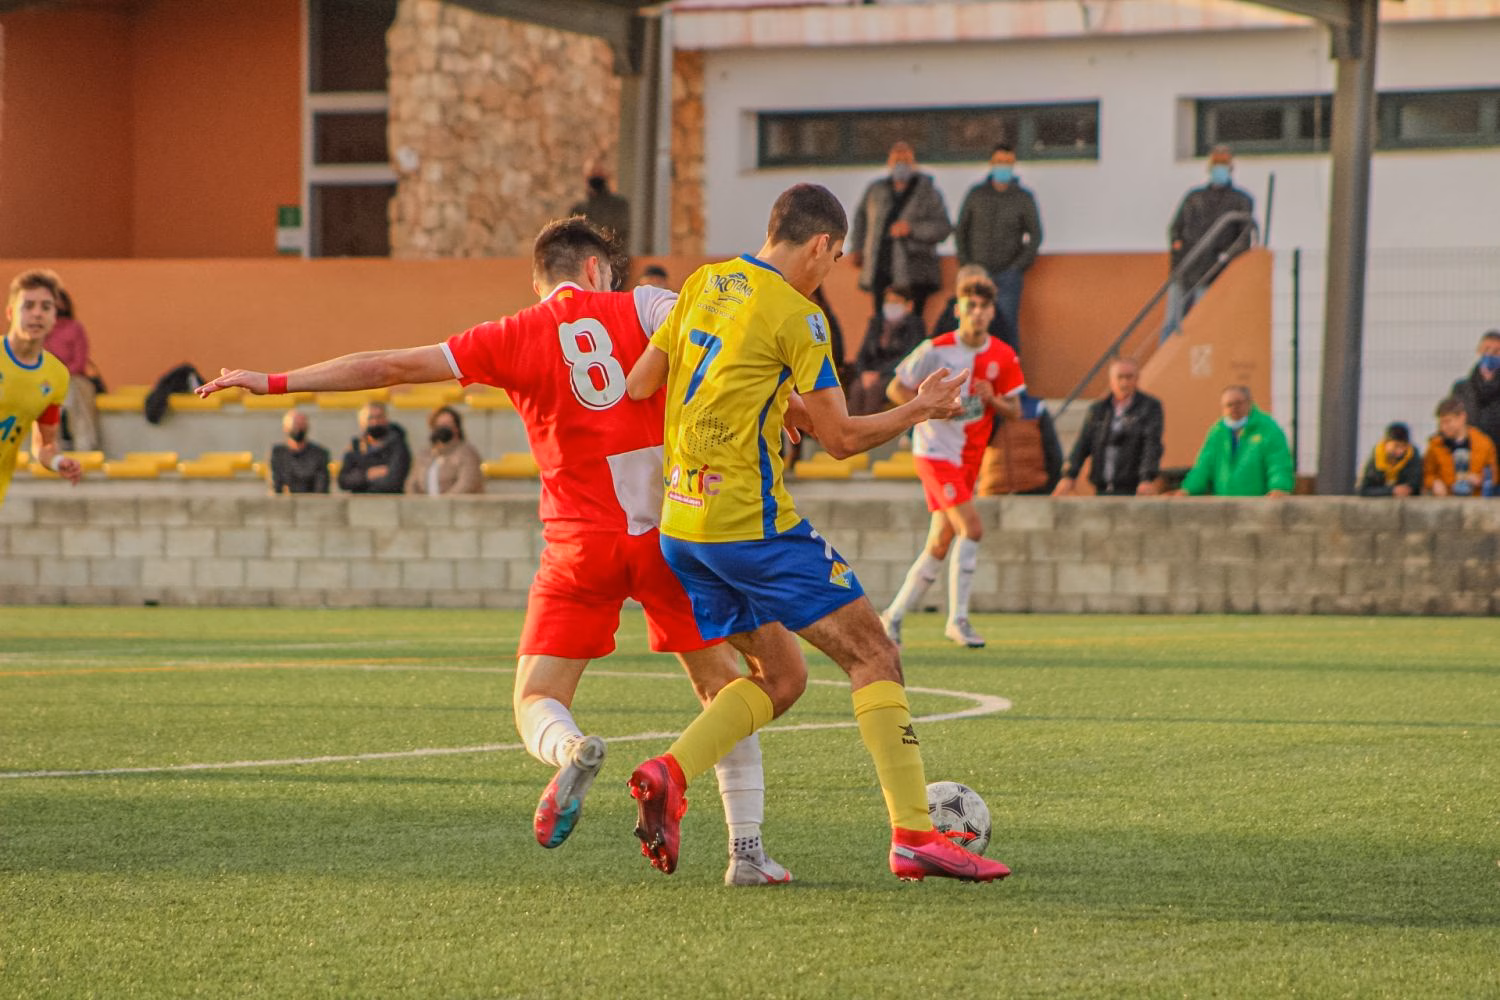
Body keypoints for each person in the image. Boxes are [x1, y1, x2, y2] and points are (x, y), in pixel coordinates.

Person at [195, 217, 793, 887]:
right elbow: (729, 345)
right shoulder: (647, 305)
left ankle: (571, 748)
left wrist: (271, 381)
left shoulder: (512, 334)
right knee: (724, 689)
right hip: (667, 536)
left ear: (540, 282)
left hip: (579, 544)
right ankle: (746, 852)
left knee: (536, 696)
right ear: (595, 270)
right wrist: (794, 406)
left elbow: (389, 367)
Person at [623, 182, 1010, 884]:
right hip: (751, 526)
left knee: (783, 677)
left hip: (684, 525)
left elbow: (643, 382)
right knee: (875, 654)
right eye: (832, 260)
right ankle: (914, 836)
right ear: (821, 245)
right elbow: (841, 439)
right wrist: (920, 408)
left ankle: (669, 772)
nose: (828, 272)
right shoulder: (799, 316)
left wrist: (772, 403)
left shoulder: (705, 282)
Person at [878, 273, 1025, 650]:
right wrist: (925, 410)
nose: (977, 312)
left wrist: (993, 399)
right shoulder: (936, 349)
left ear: (992, 312)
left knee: (940, 543)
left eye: (984, 306)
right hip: (934, 453)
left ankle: (892, 617)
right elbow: (895, 387)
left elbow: (1015, 411)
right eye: (970, 305)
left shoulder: (1003, 355)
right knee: (971, 529)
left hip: (970, 458)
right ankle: (958, 619)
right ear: (958, 309)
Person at [1, 269, 84, 506]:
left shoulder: (56, 375)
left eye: (46, 307)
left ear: (54, 316)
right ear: (10, 312)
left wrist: (57, 462)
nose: (37, 314)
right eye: (28, 306)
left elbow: (44, 444)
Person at [954, 144, 1043, 353]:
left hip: (1008, 276)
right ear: (991, 164)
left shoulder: (1023, 197)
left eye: (1007, 162)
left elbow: (1035, 235)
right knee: (972, 324)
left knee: (1007, 326)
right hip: (976, 274)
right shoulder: (976, 195)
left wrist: (1017, 267)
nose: (1003, 167)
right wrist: (967, 265)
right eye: (999, 162)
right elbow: (961, 230)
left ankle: (1009, 370)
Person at [848, 141, 952, 319]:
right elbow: (861, 220)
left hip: (915, 271)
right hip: (880, 268)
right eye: (897, 160)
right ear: (889, 163)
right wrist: (856, 248)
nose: (901, 165)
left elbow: (943, 227)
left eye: (905, 160)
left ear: (914, 164)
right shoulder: (875, 190)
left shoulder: (928, 192)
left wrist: (912, 229)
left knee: (913, 323)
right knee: (881, 322)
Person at [1163, 144, 1255, 338]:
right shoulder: (1194, 197)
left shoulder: (1240, 200)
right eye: (1216, 164)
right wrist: (1179, 251)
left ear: (1230, 168)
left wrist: (1224, 257)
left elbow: (1244, 238)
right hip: (1184, 268)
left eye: (1223, 164)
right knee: (1172, 322)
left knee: (1200, 323)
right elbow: (1175, 230)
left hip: (1213, 271)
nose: (1219, 169)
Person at [1053, 357, 1165, 496]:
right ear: (1111, 381)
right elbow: (1083, 444)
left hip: (1133, 489)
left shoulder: (1149, 407)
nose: (1124, 383)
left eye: (1129, 377)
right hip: (1101, 487)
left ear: (1137, 379)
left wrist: (1146, 478)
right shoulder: (1099, 410)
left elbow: (1151, 444)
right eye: (1120, 377)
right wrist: (1069, 476)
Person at [1179, 385, 1294, 497]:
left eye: (1238, 403)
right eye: (1229, 404)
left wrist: (1279, 487)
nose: (1234, 408)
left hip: (1257, 503)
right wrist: (1187, 490)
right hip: (1223, 503)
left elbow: (1278, 463)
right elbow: (1203, 466)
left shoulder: (1267, 428)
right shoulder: (1217, 432)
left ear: (1249, 403)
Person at [845, 285, 928, 417]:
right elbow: (863, 353)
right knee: (856, 389)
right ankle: (851, 427)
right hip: (871, 373)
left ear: (909, 305)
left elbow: (909, 356)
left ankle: (871, 428)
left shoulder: (915, 326)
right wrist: (864, 372)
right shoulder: (877, 323)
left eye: (896, 302)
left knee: (874, 391)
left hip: (893, 374)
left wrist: (880, 373)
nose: (891, 306)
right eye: (888, 301)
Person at [43, 287, 101, 452]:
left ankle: (83, 446)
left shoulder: (75, 328)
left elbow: (80, 362)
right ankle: (52, 444)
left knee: (71, 391)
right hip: (49, 382)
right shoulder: (42, 330)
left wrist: (62, 375)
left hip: (75, 380)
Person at [1424, 396, 1498, 497]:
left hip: (1476, 501)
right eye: (1441, 423)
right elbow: (1427, 474)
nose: (1443, 427)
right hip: (1447, 501)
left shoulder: (1483, 443)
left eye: (1447, 421)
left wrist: (1480, 479)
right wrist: (1434, 483)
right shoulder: (1436, 445)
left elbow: (1493, 476)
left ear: (1462, 417)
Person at [407, 405, 484, 495]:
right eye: (439, 425)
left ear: (457, 428)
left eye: (448, 424)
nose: (443, 428)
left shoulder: (467, 453)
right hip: (426, 503)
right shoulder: (424, 454)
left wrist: (444, 501)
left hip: (456, 503)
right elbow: (411, 484)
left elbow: (466, 484)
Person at [337, 401, 411, 494]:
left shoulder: (398, 446)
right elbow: (343, 481)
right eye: (371, 418)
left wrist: (359, 480)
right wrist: (367, 474)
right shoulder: (356, 445)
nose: (375, 422)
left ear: (386, 419)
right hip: (359, 500)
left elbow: (393, 481)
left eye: (379, 417)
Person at [932, 263, 1011, 348]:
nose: (978, 312)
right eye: (968, 288)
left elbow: (1004, 341)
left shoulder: (993, 311)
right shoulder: (950, 310)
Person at [1449, 329, 1500, 449]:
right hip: (1471, 453)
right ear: (1479, 351)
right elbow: (1451, 421)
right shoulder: (1461, 389)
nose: (1490, 354)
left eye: (1496, 351)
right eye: (1487, 349)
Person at [569, 162, 631, 258]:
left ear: (607, 175)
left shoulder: (619, 205)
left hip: (613, 257)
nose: (596, 176)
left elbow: (620, 231)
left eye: (599, 172)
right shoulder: (579, 208)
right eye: (592, 172)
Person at [268, 407, 331, 494]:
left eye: (302, 424)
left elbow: (321, 488)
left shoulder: (319, 454)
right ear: (285, 427)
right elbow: (276, 486)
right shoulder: (277, 453)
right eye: (295, 424)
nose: (299, 428)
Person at [1357, 422, 1422, 498]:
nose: (1400, 451)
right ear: (1386, 443)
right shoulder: (1376, 457)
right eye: (1396, 446)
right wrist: (1391, 491)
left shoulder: (1412, 456)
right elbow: (1362, 489)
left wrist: (1408, 489)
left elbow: (1416, 485)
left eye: (1404, 446)